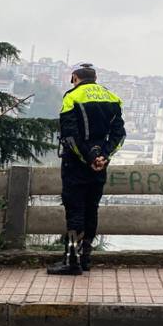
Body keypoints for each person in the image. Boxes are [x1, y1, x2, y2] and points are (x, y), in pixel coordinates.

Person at [47, 63, 125, 275]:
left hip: (76, 164)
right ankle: (86, 259)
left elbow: (70, 136)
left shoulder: (72, 97)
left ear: (74, 77)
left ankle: (72, 261)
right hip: (100, 167)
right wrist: (103, 156)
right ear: (96, 78)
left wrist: (88, 157)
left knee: (74, 212)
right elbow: (120, 136)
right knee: (92, 210)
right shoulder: (112, 98)